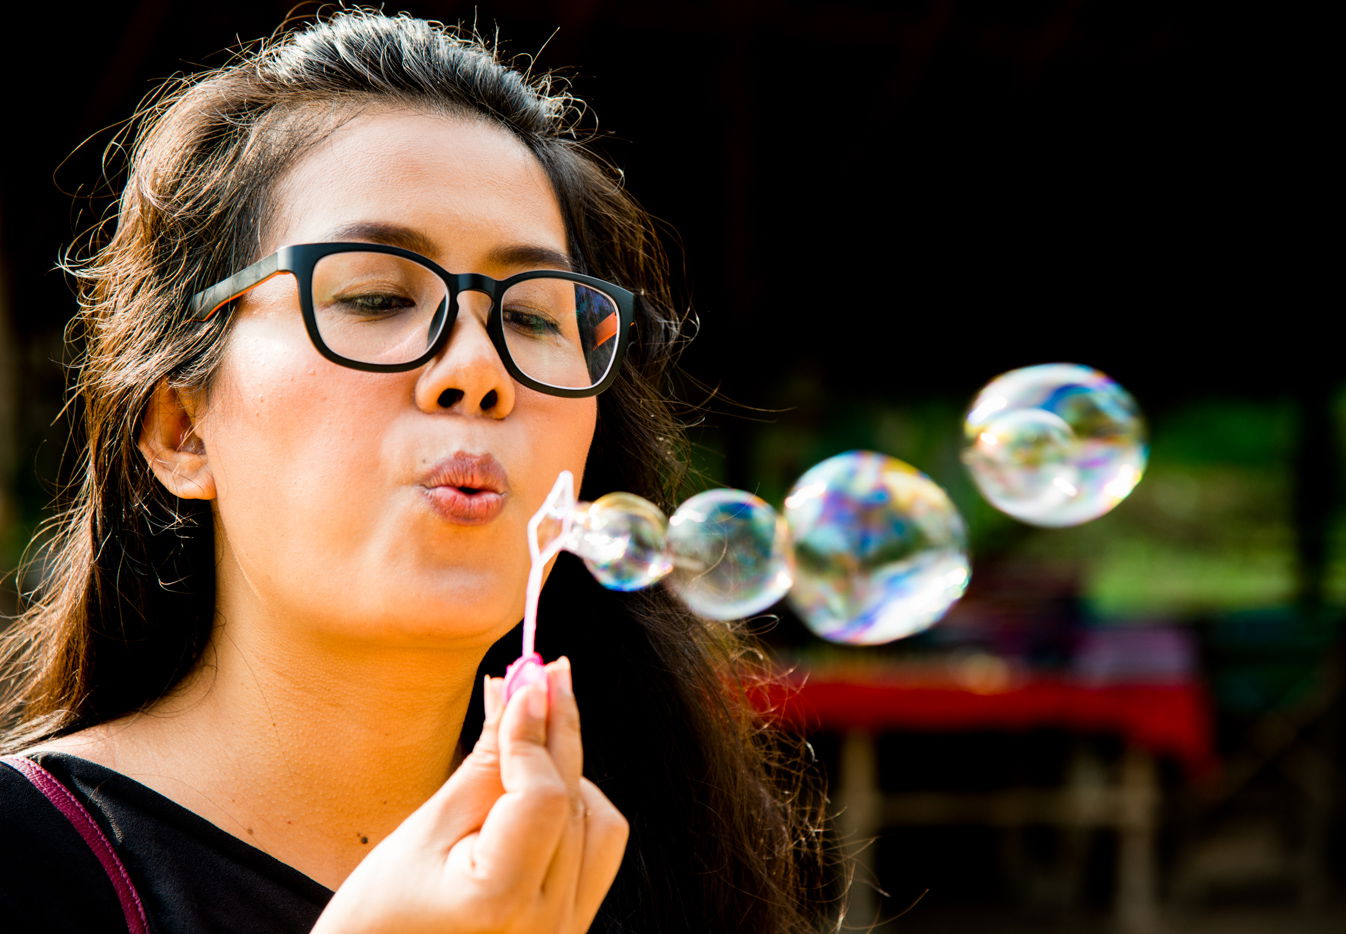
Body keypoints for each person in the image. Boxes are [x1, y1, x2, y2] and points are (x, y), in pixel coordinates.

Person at [0, 10, 835, 933]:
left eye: (533, 318)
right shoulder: (28, 861)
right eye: (376, 296)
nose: (475, 370)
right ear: (182, 430)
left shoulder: (655, 873)